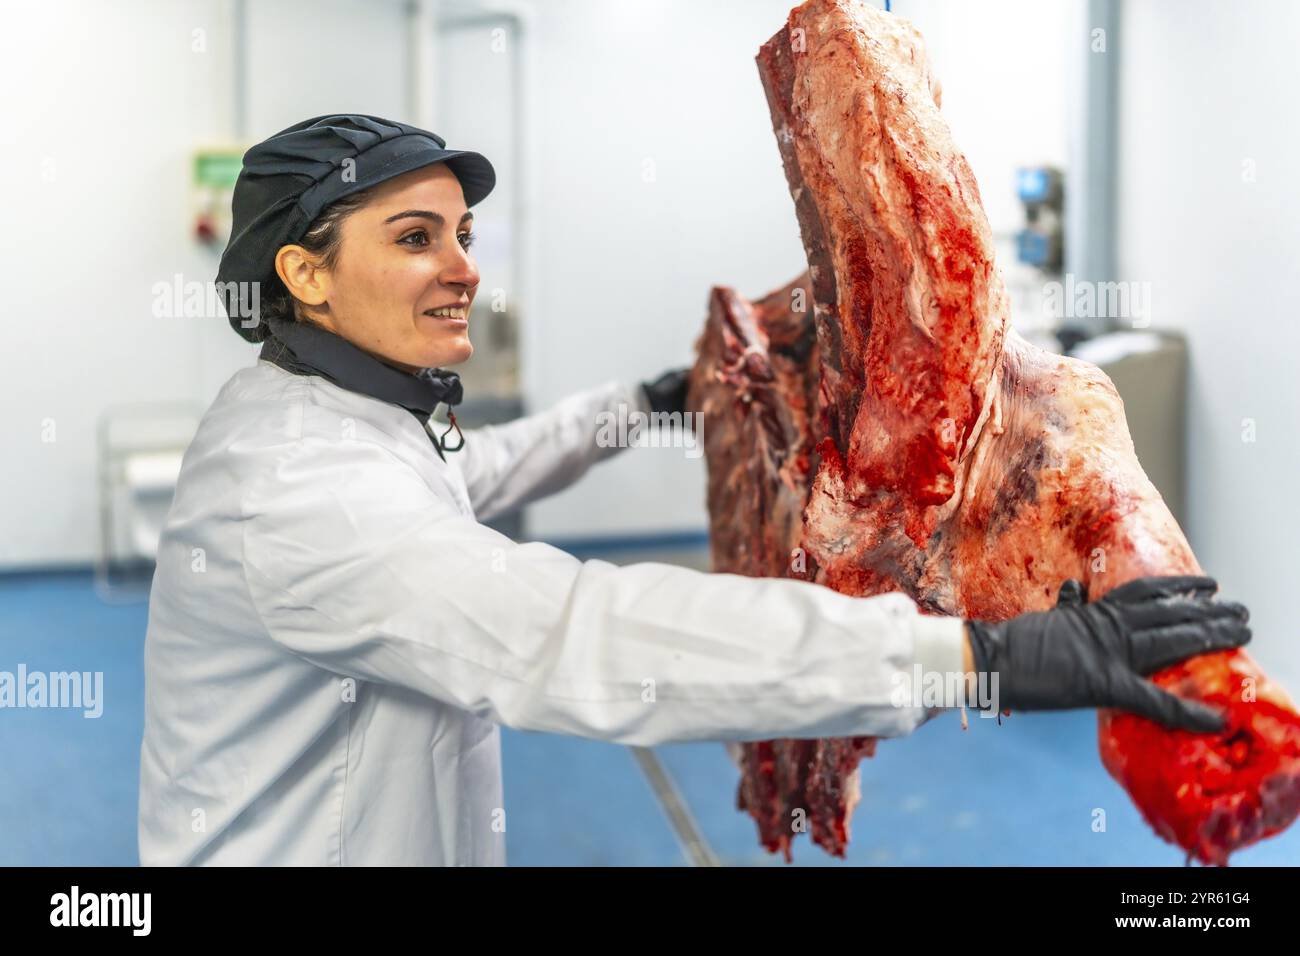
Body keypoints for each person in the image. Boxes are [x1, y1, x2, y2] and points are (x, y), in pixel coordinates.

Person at [137, 114, 1250, 866]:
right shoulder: (297, 491)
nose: (464, 264)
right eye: (415, 237)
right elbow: (571, 634)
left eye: (464, 234)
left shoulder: (333, 419)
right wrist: (970, 658)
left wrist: (661, 393)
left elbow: (481, 471)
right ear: (305, 272)